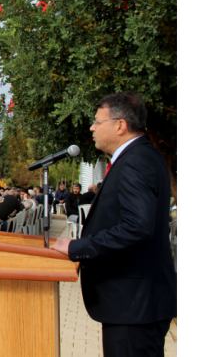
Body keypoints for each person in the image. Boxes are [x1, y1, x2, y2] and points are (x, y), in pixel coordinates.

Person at [51, 92, 177, 357]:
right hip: (135, 302)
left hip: (134, 304)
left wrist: (78, 247)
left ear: (120, 125)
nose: (92, 127)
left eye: (98, 121)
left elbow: (137, 225)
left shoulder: (136, 161)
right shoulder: (138, 157)